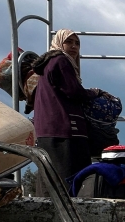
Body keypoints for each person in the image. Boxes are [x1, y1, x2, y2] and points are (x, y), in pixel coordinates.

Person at [31, 29, 102, 183]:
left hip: (46, 131)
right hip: (64, 131)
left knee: (49, 180)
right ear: (58, 43)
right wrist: (94, 93)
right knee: (71, 179)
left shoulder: (48, 63)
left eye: (77, 43)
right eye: (68, 42)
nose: (74, 46)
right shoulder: (61, 61)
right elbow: (74, 91)